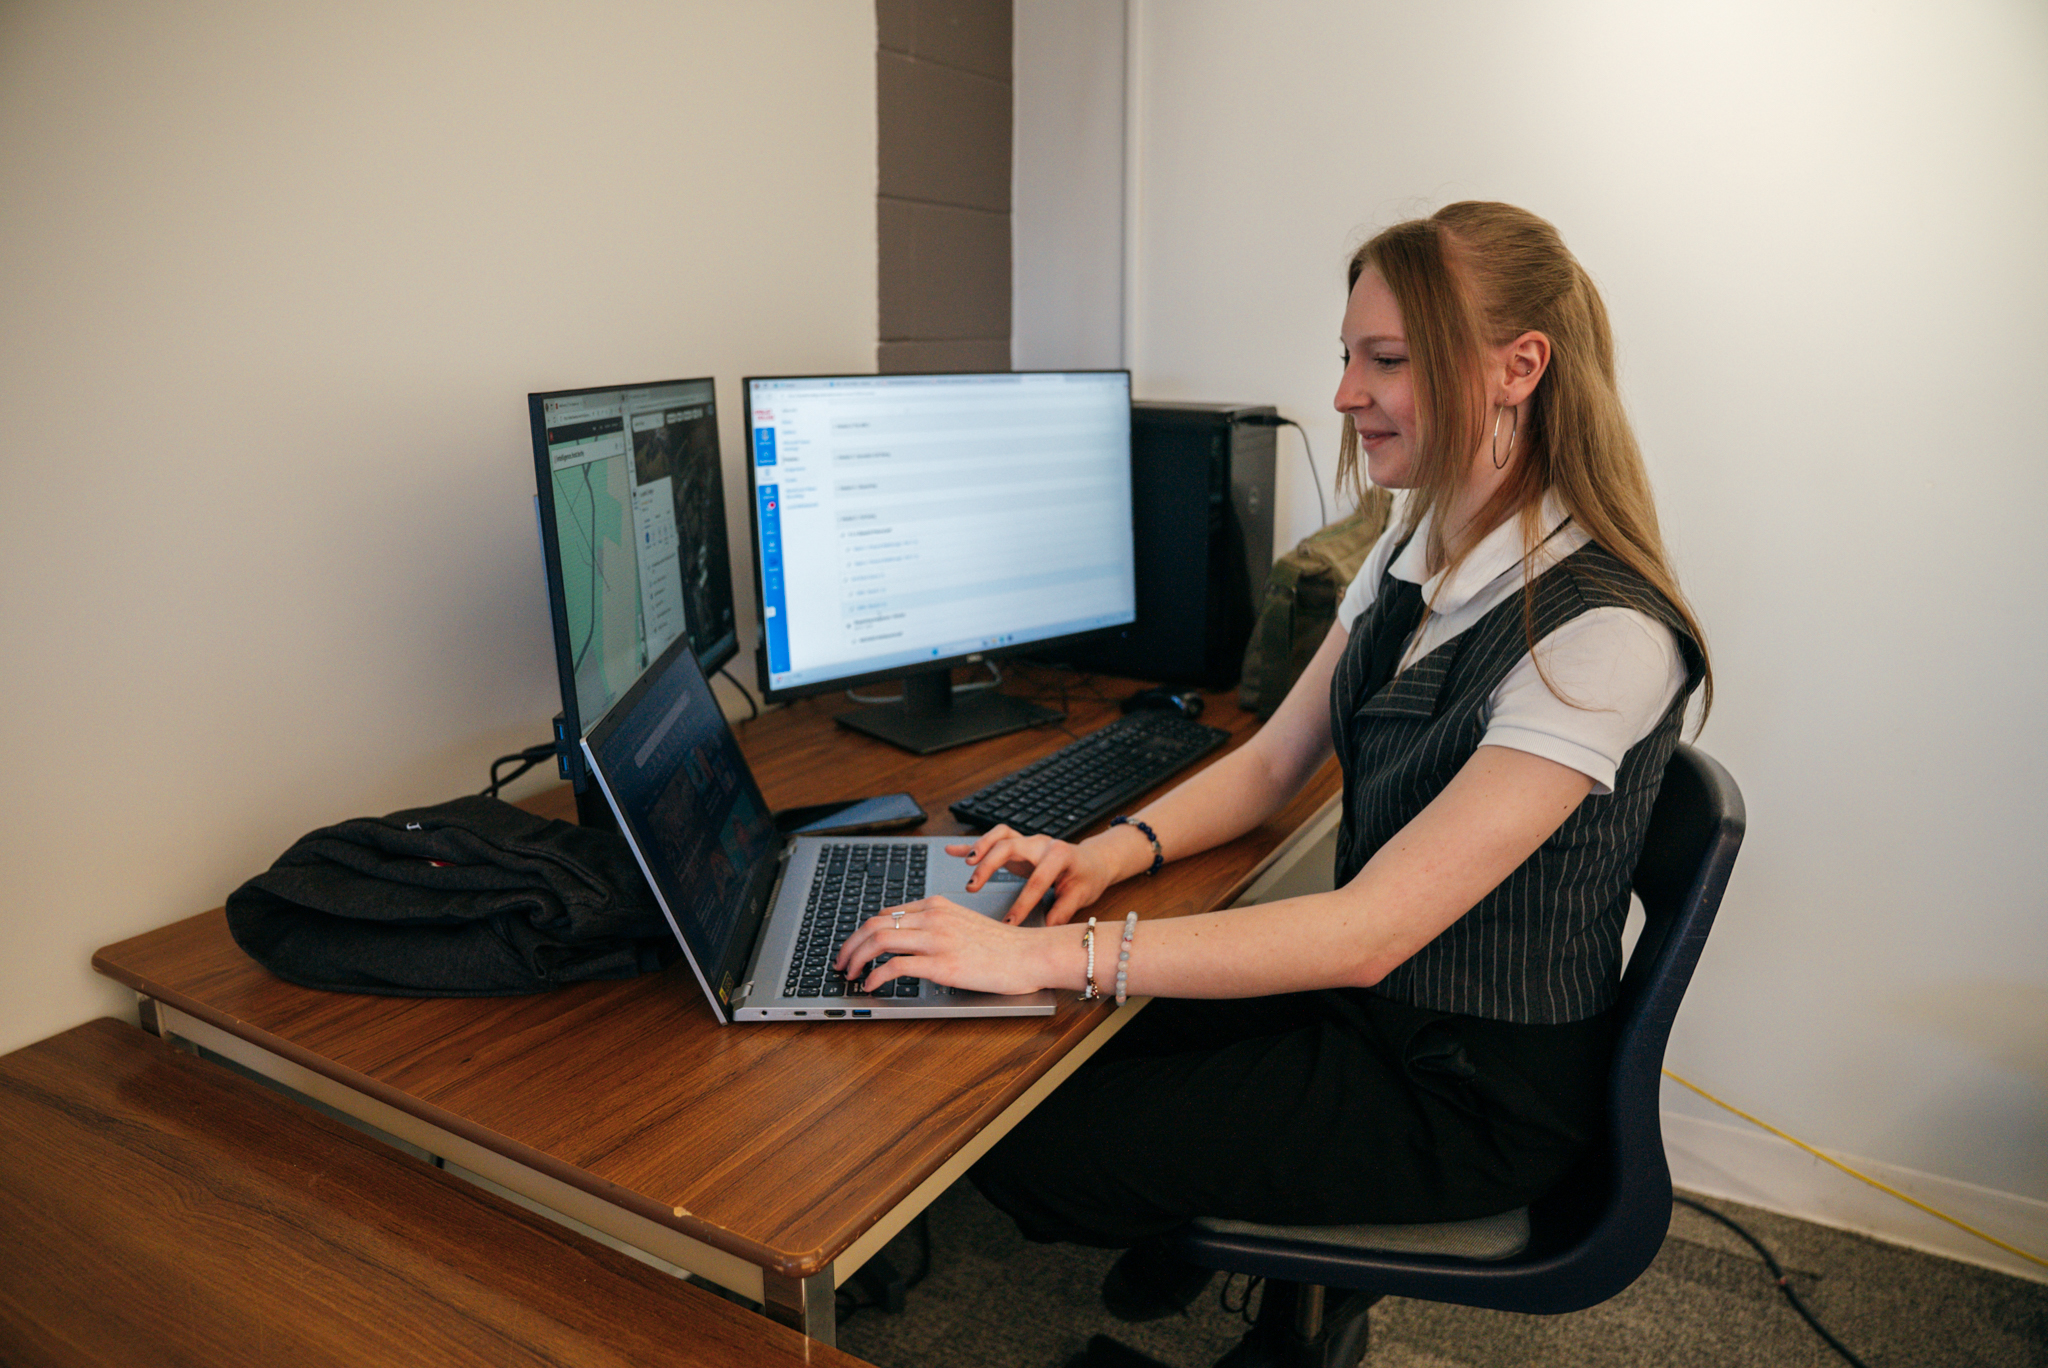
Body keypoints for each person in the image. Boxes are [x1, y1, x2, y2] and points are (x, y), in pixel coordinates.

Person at [834, 201, 1711, 1317]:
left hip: (1465, 1087)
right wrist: (1104, 854)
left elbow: (1366, 932)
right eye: (1347, 357)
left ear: (1517, 367)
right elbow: (1269, 764)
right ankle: (1198, 1212)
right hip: (1374, 1007)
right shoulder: (1416, 539)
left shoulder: (1601, 633)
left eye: (1384, 360)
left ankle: (1208, 1229)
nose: (1345, 393)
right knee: (1033, 1059)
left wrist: (1039, 958)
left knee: (1025, 1141)